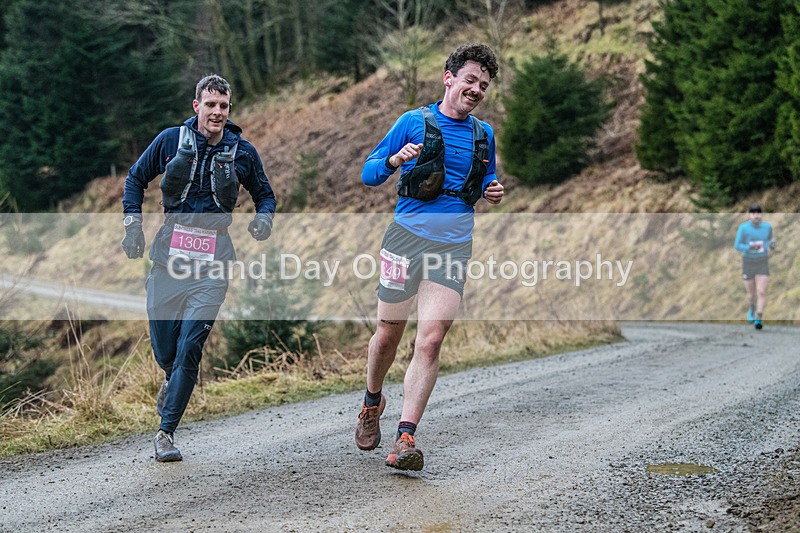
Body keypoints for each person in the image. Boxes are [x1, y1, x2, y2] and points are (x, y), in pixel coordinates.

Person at [356, 43, 504, 471]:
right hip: (404, 240)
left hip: (453, 246)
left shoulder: (484, 134)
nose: (476, 89)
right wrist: (394, 159)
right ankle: (371, 402)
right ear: (448, 78)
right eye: (470, 80)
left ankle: (405, 437)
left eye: (483, 85)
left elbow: (487, 177)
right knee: (387, 337)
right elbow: (369, 173)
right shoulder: (412, 122)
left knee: (432, 338)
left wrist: (492, 190)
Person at [121, 74, 276, 462]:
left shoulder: (242, 152)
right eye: (211, 105)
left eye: (224, 106)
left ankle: (165, 432)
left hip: (214, 264)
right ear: (197, 106)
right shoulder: (170, 141)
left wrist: (263, 220)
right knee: (166, 349)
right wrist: (132, 225)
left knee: (190, 346)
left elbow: (265, 195)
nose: (217, 112)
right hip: (168, 258)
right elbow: (135, 178)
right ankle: (170, 378)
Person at [734, 204, 775, 330]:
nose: (756, 216)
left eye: (758, 213)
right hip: (748, 262)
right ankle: (752, 307)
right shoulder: (743, 228)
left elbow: (770, 240)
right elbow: (737, 245)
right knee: (751, 294)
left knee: (761, 291)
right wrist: (750, 247)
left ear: (761, 215)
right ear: (749, 215)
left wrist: (771, 244)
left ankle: (759, 318)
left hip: (762, 261)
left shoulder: (767, 227)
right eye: (753, 213)